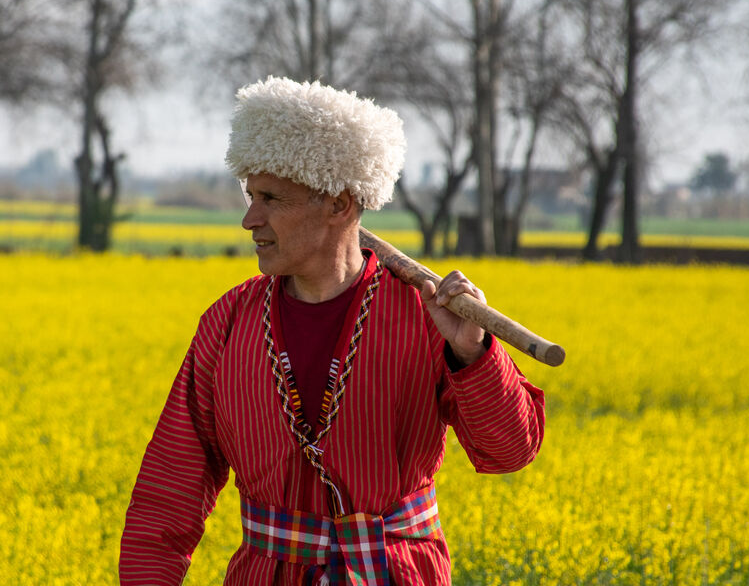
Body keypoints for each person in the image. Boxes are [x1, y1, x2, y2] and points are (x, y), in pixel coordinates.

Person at [120, 76, 546, 586]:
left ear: (339, 205)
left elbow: (508, 453)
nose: (249, 218)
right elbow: (169, 492)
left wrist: (472, 352)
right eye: (250, 195)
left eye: (272, 198)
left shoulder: (427, 316)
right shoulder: (227, 323)